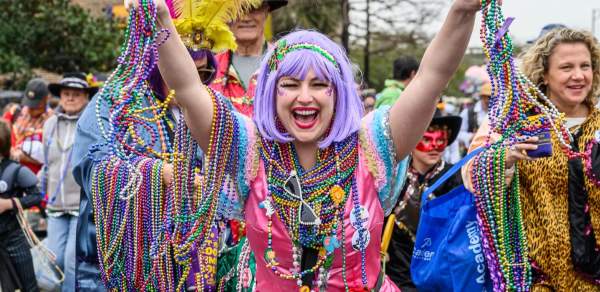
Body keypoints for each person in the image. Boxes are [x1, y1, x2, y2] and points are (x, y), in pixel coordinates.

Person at [122, 0, 488, 290]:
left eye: (319, 85)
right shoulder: (249, 148)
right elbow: (187, 90)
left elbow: (431, 77)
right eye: (290, 84)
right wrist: (159, 19)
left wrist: (460, 10)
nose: (304, 97)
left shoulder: (372, 146)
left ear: (339, 93)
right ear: (270, 93)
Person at [462, 28, 600, 290]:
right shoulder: (517, 123)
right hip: (535, 280)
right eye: (566, 67)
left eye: (585, 66)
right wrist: (504, 158)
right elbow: (471, 173)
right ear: (544, 74)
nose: (578, 76)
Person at [384, 114, 463, 291]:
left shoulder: (455, 178)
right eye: (426, 139)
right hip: (397, 271)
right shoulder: (394, 179)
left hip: (439, 273)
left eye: (441, 139)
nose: (434, 146)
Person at [41, 73, 96, 292]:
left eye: (76, 94)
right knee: (54, 258)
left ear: (85, 97)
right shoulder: (50, 124)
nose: (70, 98)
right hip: (55, 205)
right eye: (66, 94)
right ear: (60, 96)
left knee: (74, 263)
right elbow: (47, 163)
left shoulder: (90, 124)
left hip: (80, 206)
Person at [210, 0, 287, 117]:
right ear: (225, 15)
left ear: (266, 11)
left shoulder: (287, 62)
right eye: (238, 9)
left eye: (254, 8)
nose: (245, 18)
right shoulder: (209, 69)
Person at [0, 120, 43, 292]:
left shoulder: (14, 169)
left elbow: (37, 196)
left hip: (13, 238)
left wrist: (8, 203)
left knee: (28, 286)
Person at [11, 78, 51, 174]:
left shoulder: (52, 122)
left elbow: (52, 159)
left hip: (36, 179)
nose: (31, 110)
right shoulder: (15, 113)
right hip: (11, 175)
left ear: (46, 99)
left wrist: (25, 158)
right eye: (29, 104)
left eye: (36, 106)